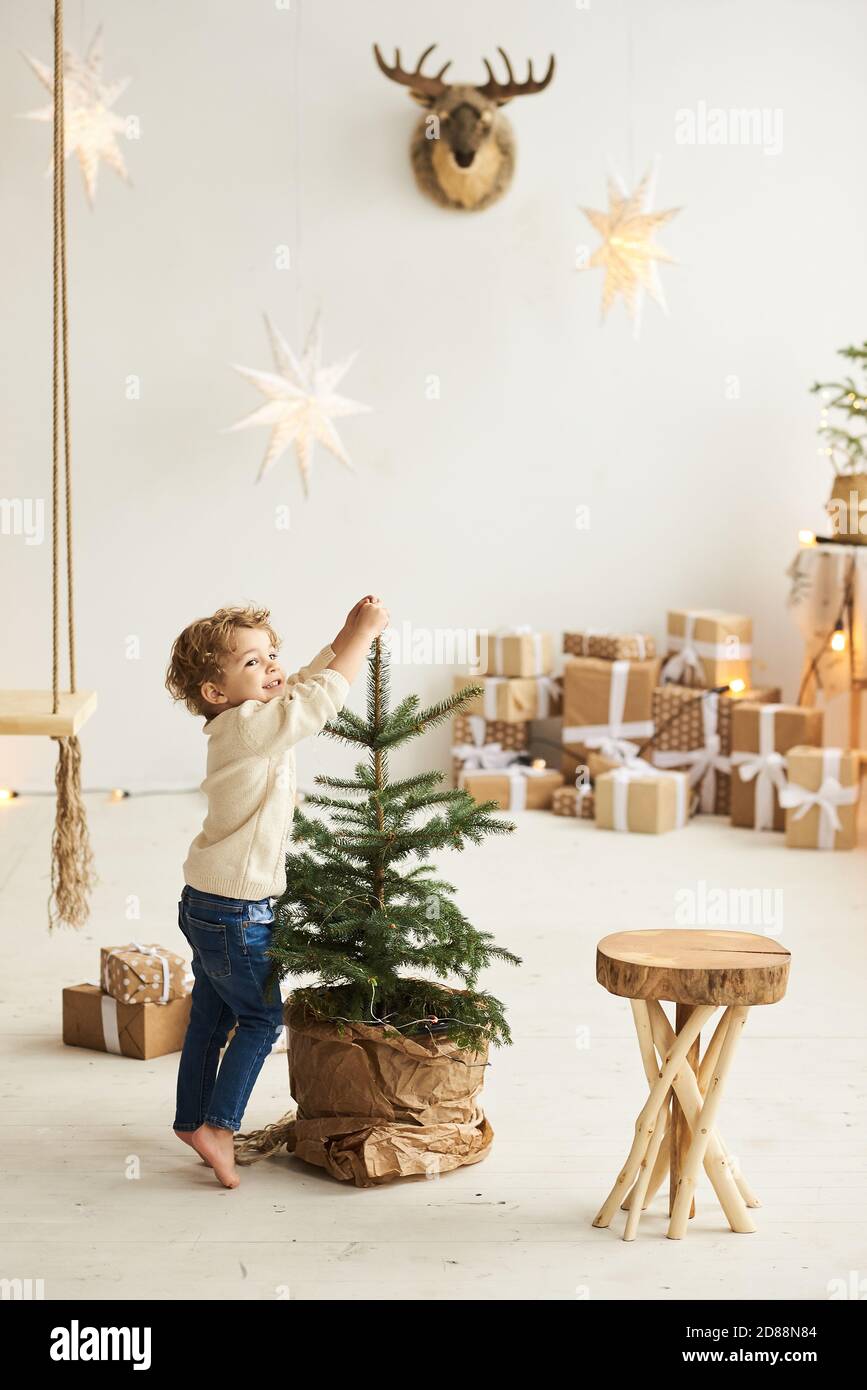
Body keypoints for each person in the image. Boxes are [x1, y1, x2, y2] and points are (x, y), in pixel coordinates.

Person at [163, 595, 389, 1187]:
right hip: (237, 911)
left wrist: (341, 636)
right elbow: (315, 703)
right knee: (262, 1020)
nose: (272, 669)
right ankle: (219, 1124)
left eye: (273, 656)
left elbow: (304, 683)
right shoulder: (247, 727)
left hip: (209, 903)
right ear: (216, 691)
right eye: (252, 663)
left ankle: (192, 1120)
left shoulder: (249, 717)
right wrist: (362, 638)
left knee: (210, 1019)